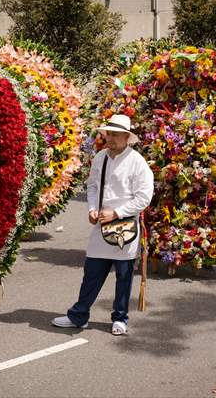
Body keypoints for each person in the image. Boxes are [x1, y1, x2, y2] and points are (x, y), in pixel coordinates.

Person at [52, 114, 154, 335]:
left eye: (116, 134)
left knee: (124, 277)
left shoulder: (137, 162)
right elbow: (92, 187)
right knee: (92, 273)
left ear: (127, 137)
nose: (111, 138)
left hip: (125, 229)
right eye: (109, 133)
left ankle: (120, 318)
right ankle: (79, 316)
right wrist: (91, 209)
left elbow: (144, 198)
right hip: (101, 226)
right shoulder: (100, 157)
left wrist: (116, 213)